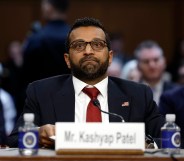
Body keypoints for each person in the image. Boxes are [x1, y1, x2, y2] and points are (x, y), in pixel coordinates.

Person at [8, 17, 164, 149]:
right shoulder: (41, 92)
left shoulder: (138, 94)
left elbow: (171, 141)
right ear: (67, 60)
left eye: (97, 44)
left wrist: (144, 143)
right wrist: (37, 135)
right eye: (79, 45)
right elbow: (14, 141)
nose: (88, 51)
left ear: (110, 57)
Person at [22, 0, 71, 87]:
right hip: (72, 95)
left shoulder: (36, 38)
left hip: (42, 95)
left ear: (49, 8)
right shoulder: (78, 37)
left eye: (44, 4)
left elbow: (26, 74)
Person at [134, 40, 176, 105]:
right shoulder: (131, 92)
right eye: (146, 61)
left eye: (156, 60)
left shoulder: (177, 92)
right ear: (138, 65)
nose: (152, 65)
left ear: (164, 62)